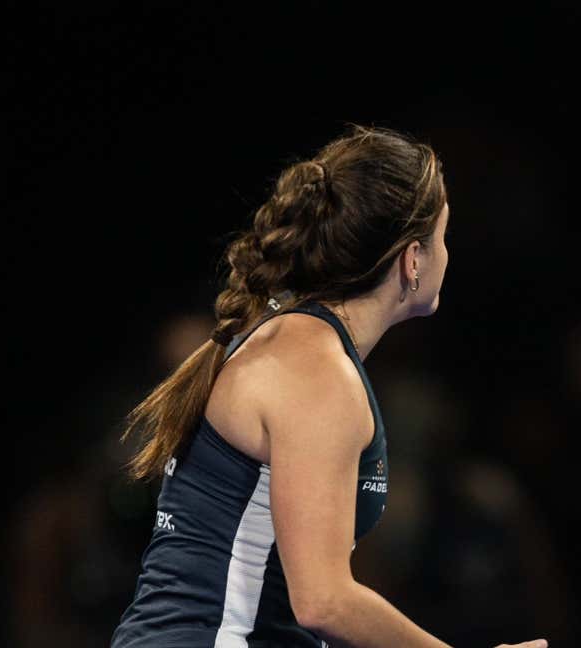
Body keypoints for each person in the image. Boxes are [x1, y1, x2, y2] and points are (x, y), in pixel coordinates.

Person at [112, 126, 547, 648]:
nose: (448, 255)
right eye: (443, 237)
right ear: (412, 260)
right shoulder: (315, 372)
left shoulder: (300, 347)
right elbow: (325, 602)